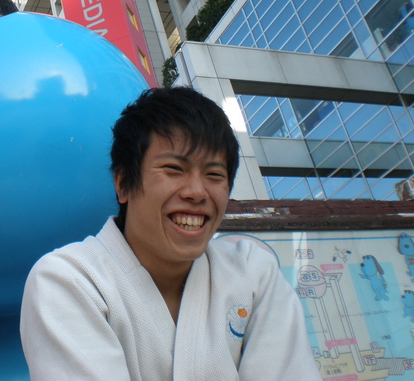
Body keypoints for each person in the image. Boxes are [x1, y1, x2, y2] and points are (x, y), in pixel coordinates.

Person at [20, 86, 321, 380]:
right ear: (123, 184)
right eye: (174, 169)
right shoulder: (68, 281)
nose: (197, 192)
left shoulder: (254, 274)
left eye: (214, 174)